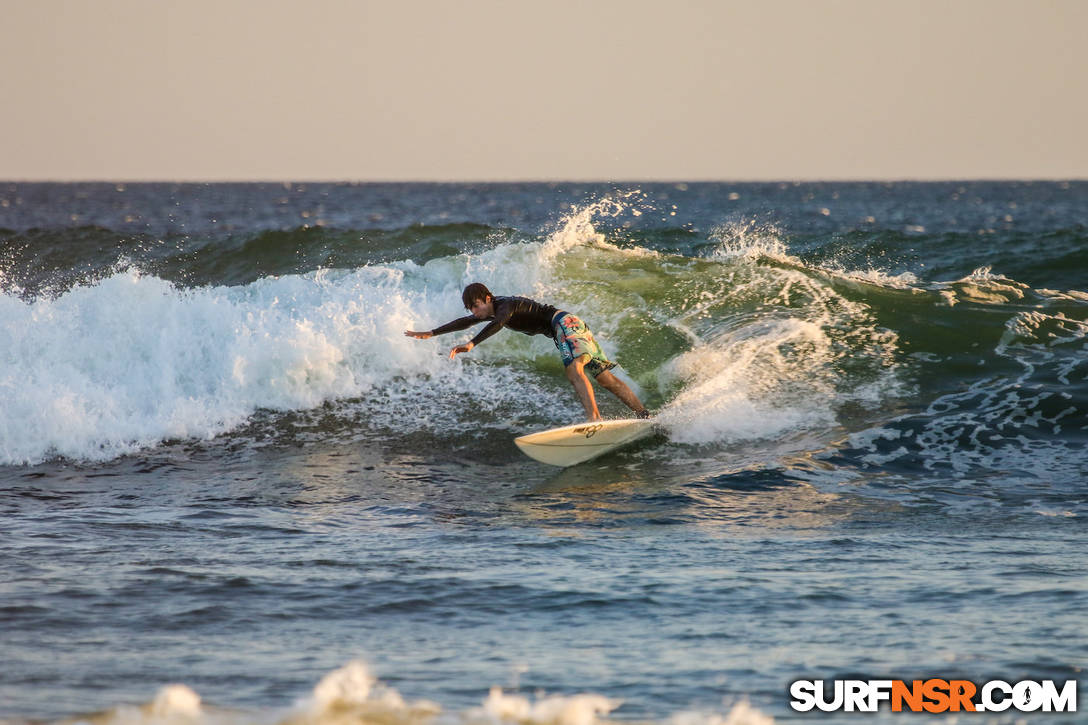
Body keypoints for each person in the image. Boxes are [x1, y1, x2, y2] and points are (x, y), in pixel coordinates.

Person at [405, 283, 650, 422]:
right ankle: (643, 415)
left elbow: (499, 323)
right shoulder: (490, 310)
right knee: (604, 379)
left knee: (575, 370)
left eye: (477, 306)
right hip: (569, 325)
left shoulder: (505, 306)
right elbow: (465, 322)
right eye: (471, 308)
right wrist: (432, 333)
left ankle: (595, 419)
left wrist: (471, 344)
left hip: (563, 324)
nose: (475, 312)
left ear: (488, 298)